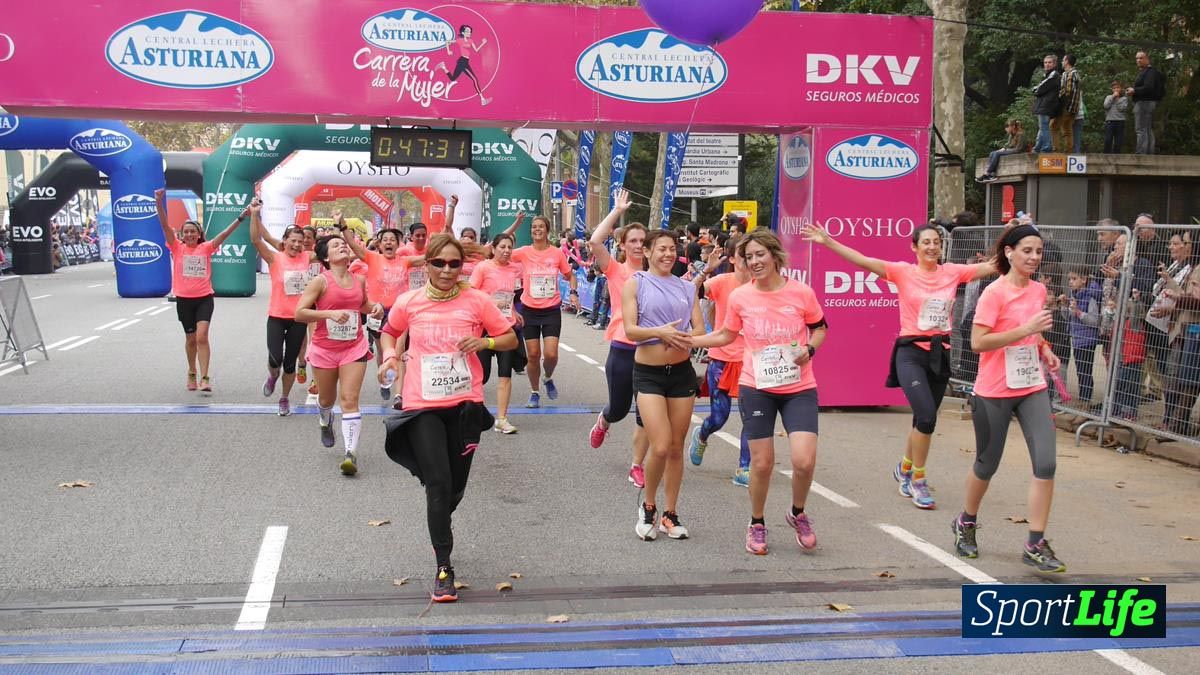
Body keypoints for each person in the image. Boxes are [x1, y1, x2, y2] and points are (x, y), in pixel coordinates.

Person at [804, 222, 995, 509]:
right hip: (910, 354)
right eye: (926, 242)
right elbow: (863, 261)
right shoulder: (902, 271)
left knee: (922, 420)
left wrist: (1014, 233)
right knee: (927, 417)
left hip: (940, 353)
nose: (932, 247)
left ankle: (905, 467)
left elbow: (994, 266)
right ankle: (917, 480)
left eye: (936, 242)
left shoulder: (953, 272)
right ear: (914, 247)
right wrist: (828, 242)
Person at [379, 233, 517, 602]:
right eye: (439, 263)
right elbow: (389, 333)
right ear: (427, 265)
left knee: (454, 488)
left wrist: (484, 343)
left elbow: (508, 339)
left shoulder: (478, 301)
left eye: (454, 264)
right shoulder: (409, 302)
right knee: (438, 483)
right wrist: (390, 356)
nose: (446, 270)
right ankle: (444, 566)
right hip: (422, 403)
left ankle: (440, 518)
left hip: (464, 405)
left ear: (462, 267)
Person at [693, 230, 827, 556]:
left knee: (804, 460)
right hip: (757, 387)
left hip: (798, 387)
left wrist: (809, 348)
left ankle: (797, 513)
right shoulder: (741, 297)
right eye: (748, 257)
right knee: (762, 464)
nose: (754, 262)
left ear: (775, 255)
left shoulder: (801, 293)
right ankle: (756, 523)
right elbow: (726, 334)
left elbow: (820, 327)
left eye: (759, 255)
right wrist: (691, 341)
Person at [952, 224, 1066, 573]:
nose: (1034, 257)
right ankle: (966, 522)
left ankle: (1035, 541)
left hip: (1032, 385)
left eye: (1038, 251)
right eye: (1027, 251)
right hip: (994, 390)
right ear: (1009, 253)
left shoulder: (1038, 290)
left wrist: (1044, 348)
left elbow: (1031, 335)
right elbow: (978, 343)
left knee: (1046, 463)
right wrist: (1028, 331)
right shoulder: (993, 293)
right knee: (987, 464)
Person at [621, 229, 705, 541]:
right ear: (648, 252)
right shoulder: (636, 283)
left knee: (674, 447)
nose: (668, 255)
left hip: (681, 373)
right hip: (648, 373)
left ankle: (670, 513)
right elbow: (631, 330)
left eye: (672, 249)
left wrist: (685, 337)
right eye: (662, 249)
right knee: (658, 444)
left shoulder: (687, 287)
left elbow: (698, 328)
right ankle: (648, 506)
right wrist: (662, 332)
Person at [295, 236, 384, 476]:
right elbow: (299, 313)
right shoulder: (319, 282)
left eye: (343, 244)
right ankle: (325, 420)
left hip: (353, 347)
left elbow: (363, 305)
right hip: (325, 350)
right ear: (325, 257)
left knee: (349, 398)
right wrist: (328, 315)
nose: (342, 246)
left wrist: (376, 307)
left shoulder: (360, 280)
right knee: (327, 399)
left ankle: (350, 454)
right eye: (335, 246)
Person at [585, 191, 651, 490]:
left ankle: (637, 465)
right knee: (620, 409)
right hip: (623, 349)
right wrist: (617, 210)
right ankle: (604, 420)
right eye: (633, 241)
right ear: (623, 246)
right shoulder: (616, 270)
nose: (638, 246)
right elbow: (596, 241)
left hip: (652, 352)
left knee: (647, 414)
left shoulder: (657, 274)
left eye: (642, 241)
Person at [154, 188, 245, 394]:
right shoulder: (176, 247)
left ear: (199, 234)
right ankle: (191, 371)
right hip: (184, 300)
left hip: (204, 298)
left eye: (192, 231)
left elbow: (224, 234)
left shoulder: (206, 248)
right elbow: (164, 225)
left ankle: (205, 377)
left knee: (202, 336)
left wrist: (241, 217)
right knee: (191, 339)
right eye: (185, 232)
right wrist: (159, 203)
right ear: (182, 235)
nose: (189, 235)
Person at [337, 217, 421, 408]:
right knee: (383, 351)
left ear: (398, 244)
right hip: (377, 311)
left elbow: (429, 256)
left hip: (400, 312)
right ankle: (384, 378)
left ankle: (399, 395)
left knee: (398, 352)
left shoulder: (405, 261)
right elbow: (352, 244)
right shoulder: (372, 258)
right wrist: (342, 225)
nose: (389, 242)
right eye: (385, 240)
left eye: (393, 239)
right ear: (380, 244)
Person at [688, 241, 754, 487]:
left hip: (752, 360)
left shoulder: (763, 285)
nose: (750, 260)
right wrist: (706, 270)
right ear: (733, 259)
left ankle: (744, 467)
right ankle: (702, 434)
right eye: (744, 255)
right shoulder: (721, 282)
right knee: (719, 417)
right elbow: (688, 294)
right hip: (722, 359)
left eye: (754, 255)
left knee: (752, 418)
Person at [248, 198, 314, 416]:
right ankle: (272, 376)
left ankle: (284, 398)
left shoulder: (308, 257)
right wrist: (255, 214)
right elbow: (257, 239)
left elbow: (330, 254)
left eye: (300, 241)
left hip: (298, 318)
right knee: (275, 358)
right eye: (292, 241)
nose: (296, 245)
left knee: (290, 364)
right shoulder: (274, 258)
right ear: (284, 241)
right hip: (276, 316)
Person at [512, 215, 577, 408]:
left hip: (550, 310)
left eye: (541, 227)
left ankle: (547, 377)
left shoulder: (556, 253)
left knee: (551, 355)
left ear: (547, 230)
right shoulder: (523, 252)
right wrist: (515, 225)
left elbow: (570, 275)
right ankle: (534, 393)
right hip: (529, 310)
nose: (537, 230)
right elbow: (499, 252)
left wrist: (573, 293)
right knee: (533, 355)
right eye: (534, 227)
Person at [469, 232, 525, 433]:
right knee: (480, 375)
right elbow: (471, 293)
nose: (506, 251)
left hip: (505, 327)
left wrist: (515, 311)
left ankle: (501, 418)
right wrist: (490, 302)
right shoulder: (483, 267)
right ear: (493, 249)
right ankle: (471, 411)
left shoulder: (515, 270)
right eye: (502, 247)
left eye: (509, 247)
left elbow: (513, 295)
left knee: (505, 375)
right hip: (484, 327)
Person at [1060, 266, 1103, 406]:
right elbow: (1068, 317)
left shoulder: (1090, 297)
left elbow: (1095, 320)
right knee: (1080, 370)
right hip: (1077, 337)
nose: (1070, 282)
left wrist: (1078, 312)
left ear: (1084, 280)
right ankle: (1083, 400)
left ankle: (1086, 401)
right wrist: (1065, 306)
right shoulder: (1074, 294)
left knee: (1085, 371)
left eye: (1074, 279)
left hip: (1087, 339)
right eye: (1069, 279)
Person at [435, 24, 491, 106]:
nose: (469, 33)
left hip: (465, 62)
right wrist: (448, 51)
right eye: (467, 31)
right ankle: (482, 99)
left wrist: (483, 43)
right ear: (463, 32)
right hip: (462, 62)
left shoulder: (471, 41)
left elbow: (476, 50)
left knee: (453, 78)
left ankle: (443, 67)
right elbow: (447, 41)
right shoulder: (460, 40)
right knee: (475, 79)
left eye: (470, 31)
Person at [1126, 51, 1165, 155]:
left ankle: (1141, 153)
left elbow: (1149, 87)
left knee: (1140, 129)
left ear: (1147, 59)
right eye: (1137, 58)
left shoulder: (1150, 72)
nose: (1138, 60)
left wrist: (1134, 90)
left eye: (1141, 58)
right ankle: (1148, 152)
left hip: (1144, 103)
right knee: (1147, 129)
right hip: (1147, 103)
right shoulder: (1147, 72)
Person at [977, 119, 1025, 183]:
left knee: (997, 154)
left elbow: (1019, 149)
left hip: (1018, 151)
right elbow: (1008, 144)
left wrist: (1006, 150)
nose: (1006, 129)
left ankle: (987, 173)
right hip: (1012, 150)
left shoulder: (1020, 134)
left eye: (1007, 127)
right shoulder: (1011, 135)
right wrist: (1003, 148)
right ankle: (991, 175)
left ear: (1013, 127)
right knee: (992, 153)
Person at [1051, 54, 1082, 154]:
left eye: (1063, 60)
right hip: (1074, 107)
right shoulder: (1073, 73)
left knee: (1053, 126)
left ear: (1067, 61)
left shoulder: (1070, 74)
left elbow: (1068, 91)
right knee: (1067, 129)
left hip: (1067, 106)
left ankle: (1056, 150)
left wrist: (1058, 98)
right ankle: (1068, 152)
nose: (1062, 62)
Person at [1032, 55, 1061, 152]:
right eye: (1045, 62)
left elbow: (1040, 88)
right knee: (1042, 127)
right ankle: (1037, 148)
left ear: (1054, 64)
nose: (1047, 64)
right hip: (1043, 105)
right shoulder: (1047, 75)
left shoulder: (1054, 75)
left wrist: (1035, 90)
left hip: (1046, 105)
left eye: (1049, 62)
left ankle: (1047, 147)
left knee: (1044, 127)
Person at [1103, 80, 1130, 153]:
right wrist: (1113, 97)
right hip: (1110, 121)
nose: (1116, 89)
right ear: (1112, 89)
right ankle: (1106, 155)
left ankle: (1116, 156)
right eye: (1114, 88)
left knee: (1118, 141)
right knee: (1108, 139)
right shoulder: (1108, 97)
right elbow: (1105, 106)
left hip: (1120, 121)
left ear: (1121, 89)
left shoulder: (1124, 98)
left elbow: (1122, 108)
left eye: (1118, 88)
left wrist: (1117, 99)